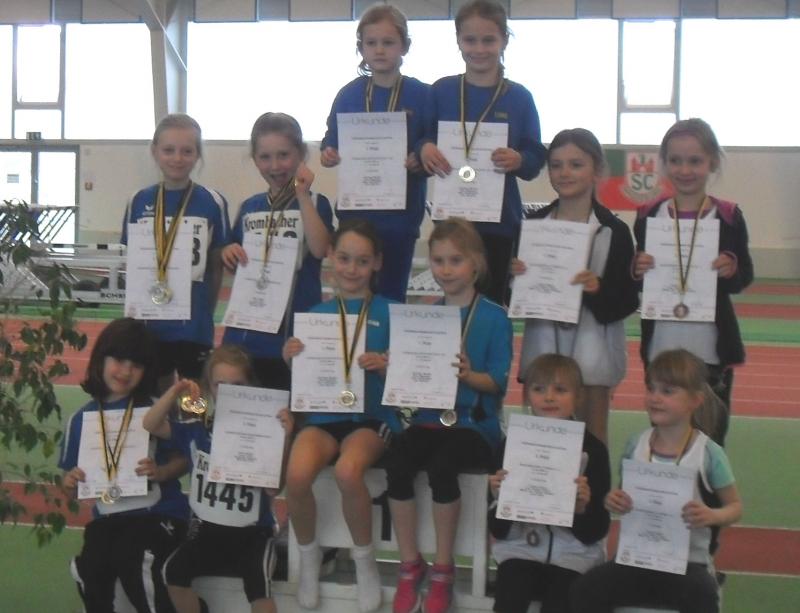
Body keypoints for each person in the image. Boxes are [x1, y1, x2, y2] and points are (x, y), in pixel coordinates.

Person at [386, 217, 512, 613]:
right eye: (438, 260)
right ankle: (410, 564)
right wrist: (398, 367)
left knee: (443, 467)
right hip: (429, 419)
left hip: (474, 425)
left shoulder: (494, 316)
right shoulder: (425, 315)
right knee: (396, 462)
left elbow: (498, 383)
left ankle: (443, 569)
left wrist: (469, 375)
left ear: (476, 263)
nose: (445, 269)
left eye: (455, 260)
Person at [282, 219, 400, 612]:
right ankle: (310, 554)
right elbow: (306, 378)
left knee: (349, 471)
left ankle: (365, 562)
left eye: (362, 261)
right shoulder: (316, 314)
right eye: (345, 258)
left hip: (372, 418)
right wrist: (292, 358)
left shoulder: (391, 313)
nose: (351, 269)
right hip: (325, 417)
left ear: (377, 263)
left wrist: (387, 366)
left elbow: (410, 378)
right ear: (331, 256)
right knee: (296, 475)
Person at [570, 349, 743, 613]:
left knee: (704, 597)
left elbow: (735, 508)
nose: (655, 398)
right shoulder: (635, 445)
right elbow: (622, 495)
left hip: (688, 565)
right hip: (636, 559)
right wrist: (613, 500)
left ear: (695, 400)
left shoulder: (708, 453)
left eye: (668, 391)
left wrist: (712, 515)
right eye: (651, 389)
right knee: (585, 590)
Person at [143, 345, 293, 613]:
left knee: (258, 587)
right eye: (220, 385)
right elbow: (150, 424)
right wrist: (176, 390)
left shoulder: (263, 432)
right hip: (206, 531)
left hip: (253, 533)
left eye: (238, 385)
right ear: (208, 387)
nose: (229, 392)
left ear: (251, 386)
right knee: (172, 572)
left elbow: (273, 489)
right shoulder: (197, 430)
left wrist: (286, 437)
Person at [512, 128, 638, 445]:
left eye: (576, 164)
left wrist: (597, 288)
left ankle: (592, 482)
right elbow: (511, 297)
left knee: (592, 441)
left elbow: (627, 301)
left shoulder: (613, 231)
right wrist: (514, 278)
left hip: (593, 355)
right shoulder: (531, 226)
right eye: (556, 165)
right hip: (543, 350)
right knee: (544, 443)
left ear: (597, 170)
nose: (565, 172)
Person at [632, 118, 753, 445]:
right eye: (675, 160)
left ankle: (709, 483)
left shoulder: (728, 216)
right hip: (662, 346)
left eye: (695, 161)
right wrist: (638, 269)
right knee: (666, 436)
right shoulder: (648, 215)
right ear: (664, 163)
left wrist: (731, 269)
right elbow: (640, 281)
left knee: (710, 441)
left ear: (712, 161)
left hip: (710, 351)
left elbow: (744, 276)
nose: (684, 170)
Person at [418, 0, 547, 305]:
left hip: (499, 223)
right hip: (452, 221)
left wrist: (519, 159)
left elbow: (535, 157)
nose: (479, 49)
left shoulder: (519, 97)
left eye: (488, 40)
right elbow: (422, 137)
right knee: (454, 304)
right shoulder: (442, 91)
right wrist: (424, 148)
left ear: (504, 40)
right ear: (458, 40)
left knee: (492, 306)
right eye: (470, 40)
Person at [59, 318, 189, 613]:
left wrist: (162, 472)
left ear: (147, 370)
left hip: (158, 514)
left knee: (137, 560)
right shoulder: (80, 419)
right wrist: (70, 483)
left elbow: (184, 458)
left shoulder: (155, 409)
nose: (126, 371)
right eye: (119, 360)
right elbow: (71, 483)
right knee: (89, 568)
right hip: (108, 519)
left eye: (136, 365)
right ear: (100, 359)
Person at [321, 3, 430, 302]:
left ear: (404, 46)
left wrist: (420, 158)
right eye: (371, 43)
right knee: (353, 290)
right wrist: (328, 152)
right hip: (356, 214)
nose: (379, 50)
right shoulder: (348, 95)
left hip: (401, 218)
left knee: (392, 296)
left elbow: (432, 141)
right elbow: (331, 137)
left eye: (388, 42)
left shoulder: (422, 94)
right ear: (361, 48)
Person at [489, 354, 611, 613]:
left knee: (561, 603)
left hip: (574, 557)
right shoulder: (511, 446)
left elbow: (595, 532)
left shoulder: (594, 451)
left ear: (578, 397)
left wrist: (580, 509)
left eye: (560, 390)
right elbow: (498, 531)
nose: (549, 397)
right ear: (526, 395)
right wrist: (499, 498)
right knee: (509, 600)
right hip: (520, 551)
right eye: (539, 389)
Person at [222, 112, 333, 390]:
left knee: (288, 409)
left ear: (301, 154)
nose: (274, 166)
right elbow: (232, 259)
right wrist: (229, 252)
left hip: (293, 333)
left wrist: (302, 195)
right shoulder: (249, 207)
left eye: (283, 155)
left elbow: (320, 248)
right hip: (248, 333)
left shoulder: (316, 202)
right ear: (254, 159)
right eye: (265, 157)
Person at [121, 113, 229, 391]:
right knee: (156, 395)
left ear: (198, 154)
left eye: (187, 151)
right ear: (154, 151)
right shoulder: (138, 201)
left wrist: (206, 311)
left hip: (193, 323)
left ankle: (195, 422)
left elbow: (216, 265)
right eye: (169, 150)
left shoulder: (213, 202)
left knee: (195, 395)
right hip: (150, 323)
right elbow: (133, 264)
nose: (177, 158)